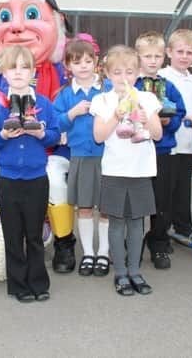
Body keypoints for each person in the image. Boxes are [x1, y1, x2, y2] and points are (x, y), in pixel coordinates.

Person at [0, 0, 77, 273]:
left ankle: (64, 241)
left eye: (33, 14)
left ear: (58, 23)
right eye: (6, 18)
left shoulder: (65, 73)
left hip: (50, 151)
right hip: (6, 154)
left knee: (58, 187)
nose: (17, 27)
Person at [0, 45, 61, 302]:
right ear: (4, 73)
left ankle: (38, 282)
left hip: (37, 178)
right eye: (12, 67)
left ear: (33, 72)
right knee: (14, 234)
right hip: (8, 179)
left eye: (24, 67)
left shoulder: (45, 104)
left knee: (34, 233)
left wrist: (40, 133)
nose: (18, 73)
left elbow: (55, 136)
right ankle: (17, 285)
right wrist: (5, 134)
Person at [91, 45, 162, 296]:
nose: (124, 78)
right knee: (116, 223)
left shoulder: (148, 98)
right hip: (114, 171)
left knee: (136, 223)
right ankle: (120, 272)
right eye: (118, 72)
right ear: (108, 75)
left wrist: (145, 118)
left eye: (130, 72)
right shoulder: (102, 100)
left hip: (141, 171)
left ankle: (135, 270)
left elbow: (157, 134)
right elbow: (98, 137)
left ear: (138, 73)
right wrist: (115, 115)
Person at [53, 37, 109, 276]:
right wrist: (72, 113)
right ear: (68, 66)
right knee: (84, 207)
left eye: (88, 60)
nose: (83, 66)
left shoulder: (107, 89)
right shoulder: (65, 95)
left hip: (108, 158)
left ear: (96, 62)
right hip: (80, 157)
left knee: (106, 208)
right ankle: (88, 253)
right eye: (77, 62)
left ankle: (104, 253)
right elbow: (54, 124)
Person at [133, 31, 185, 269]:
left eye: (156, 56)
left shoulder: (169, 86)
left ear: (163, 57)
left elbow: (180, 113)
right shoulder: (131, 85)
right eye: (147, 56)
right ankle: (129, 244)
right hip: (134, 150)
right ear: (138, 57)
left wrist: (168, 124)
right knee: (133, 200)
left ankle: (158, 244)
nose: (152, 61)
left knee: (161, 201)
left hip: (162, 151)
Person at [157, 29, 192, 240]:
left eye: (189, 52)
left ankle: (183, 226)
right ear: (169, 52)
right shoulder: (162, 77)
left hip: (186, 143)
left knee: (183, 188)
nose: (184, 56)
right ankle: (163, 228)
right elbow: (164, 107)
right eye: (180, 51)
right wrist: (188, 116)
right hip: (170, 143)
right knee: (166, 188)